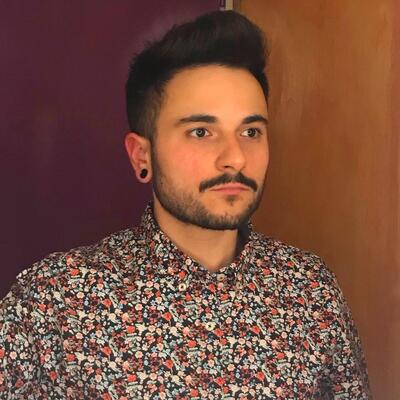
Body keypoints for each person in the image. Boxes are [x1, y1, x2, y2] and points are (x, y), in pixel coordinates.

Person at [0, 10, 371, 400]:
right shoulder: (54, 300)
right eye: (201, 132)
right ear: (141, 156)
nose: (235, 158)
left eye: (250, 131)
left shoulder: (310, 291)